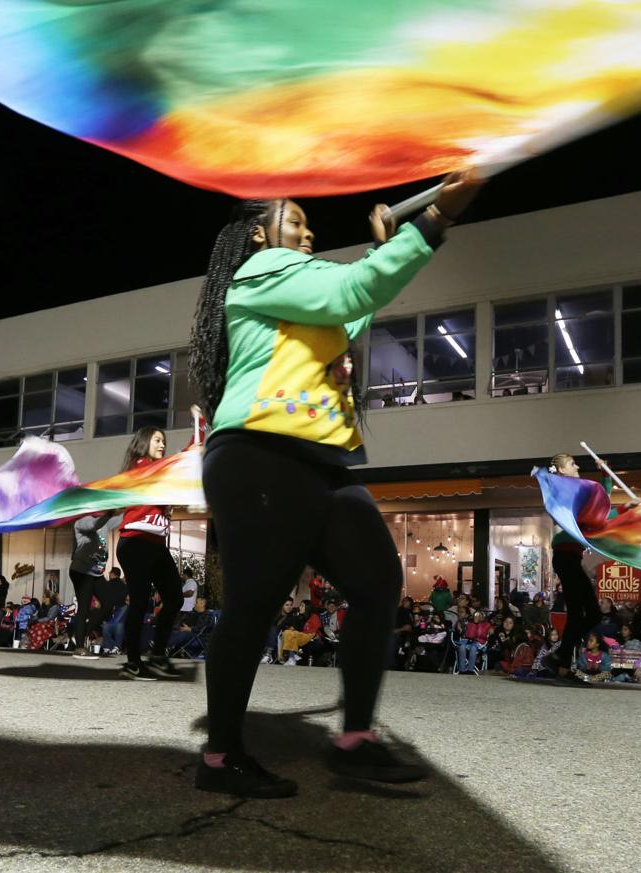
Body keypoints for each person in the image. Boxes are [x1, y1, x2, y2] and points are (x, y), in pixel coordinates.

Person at [189, 172, 482, 797]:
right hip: (258, 455)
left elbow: (351, 304)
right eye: (295, 221)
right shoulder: (262, 268)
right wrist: (434, 220)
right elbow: (350, 292)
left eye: (306, 224)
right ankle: (220, 756)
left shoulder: (298, 286)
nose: (309, 231)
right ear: (259, 236)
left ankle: (354, 741)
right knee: (254, 603)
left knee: (376, 582)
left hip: (319, 461)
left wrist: (384, 250)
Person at [544, 452, 634, 676]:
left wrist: (605, 473)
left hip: (571, 557)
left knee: (581, 614)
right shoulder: (568, 490)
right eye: (572, 463)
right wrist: (624, 508)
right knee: (590, 613)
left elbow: (600, 506)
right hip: (565, 556)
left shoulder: (579, 490)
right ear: (563, 470)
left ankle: (562, 663)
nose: (577, 466)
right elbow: (598, 513)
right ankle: (560, 654)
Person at [116, 428, 184, 681]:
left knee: (175, 597)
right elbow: (169, 470)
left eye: (164, 441)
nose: (162, 444)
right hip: (135, 542)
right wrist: (188, 452)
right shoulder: (141, 467)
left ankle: (157, 655)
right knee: (140, 602)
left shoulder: (157, 470)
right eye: (157, 440)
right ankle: (133, 662)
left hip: (155, 544)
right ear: (144, 443)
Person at [68, 511, 114, 660]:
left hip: (97, 573)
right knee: (84, 607)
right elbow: (95, 524)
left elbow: (120, 520)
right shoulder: (82, 522)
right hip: (81, 571)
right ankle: (79, 647)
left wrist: (130, 509)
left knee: (108, 604)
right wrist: (111, 512)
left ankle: (81, 633)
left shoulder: (106, 522)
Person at [455, 610, 492, 674]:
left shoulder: (487, 625)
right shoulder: (470, 624)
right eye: (476, 616)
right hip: (469, 641)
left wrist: (479, 625)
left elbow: (481, 635)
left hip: (480, 643)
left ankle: (470, 669)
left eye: (479, 616)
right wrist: (475, 624)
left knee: (473, 649)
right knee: (462, 647)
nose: (477, 617)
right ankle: (462, 669)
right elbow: (469, 635)